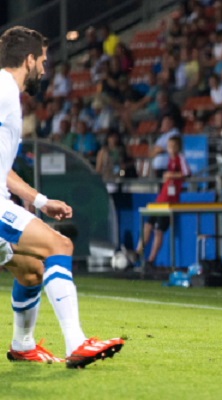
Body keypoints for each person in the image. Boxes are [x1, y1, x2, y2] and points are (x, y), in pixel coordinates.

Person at [0, 26, 124, 368]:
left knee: (31, 272)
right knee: (59, 245)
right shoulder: (4, 89)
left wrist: (40, 201)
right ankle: (77, 343)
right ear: (29, 60)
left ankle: (23, 345)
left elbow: (3, 169)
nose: (44, 69)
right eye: (42, 61)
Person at [136, 135, 190, 266]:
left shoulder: (180, 158)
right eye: (169, 145)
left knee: (158, 231)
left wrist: (172, 175)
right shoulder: (169, 160)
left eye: (173, 145)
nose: (170, 148)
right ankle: (137, 253)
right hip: (160, 200)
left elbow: (187, 173)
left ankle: (151, 259)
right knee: (148, 226)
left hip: (169, 203)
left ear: (178, 147)